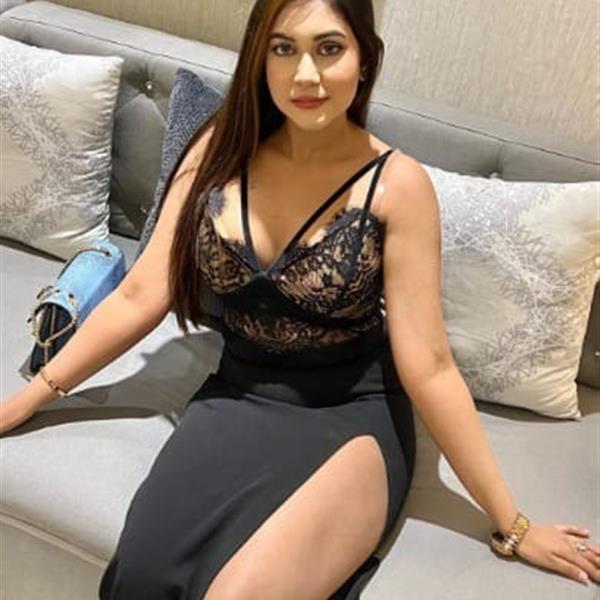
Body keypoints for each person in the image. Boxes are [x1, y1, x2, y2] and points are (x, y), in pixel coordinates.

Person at [2, 0, 598, 597]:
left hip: (351, 415)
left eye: (329, 48)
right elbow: (139, 294)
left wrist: (513, 523)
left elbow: (431, 367)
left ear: (365, 62)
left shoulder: (397, 185)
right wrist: (28, 400)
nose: (306, 74)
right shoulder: (217, 150)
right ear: (260, 59)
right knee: (140, 580)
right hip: (236, 396)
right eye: (284, 48)